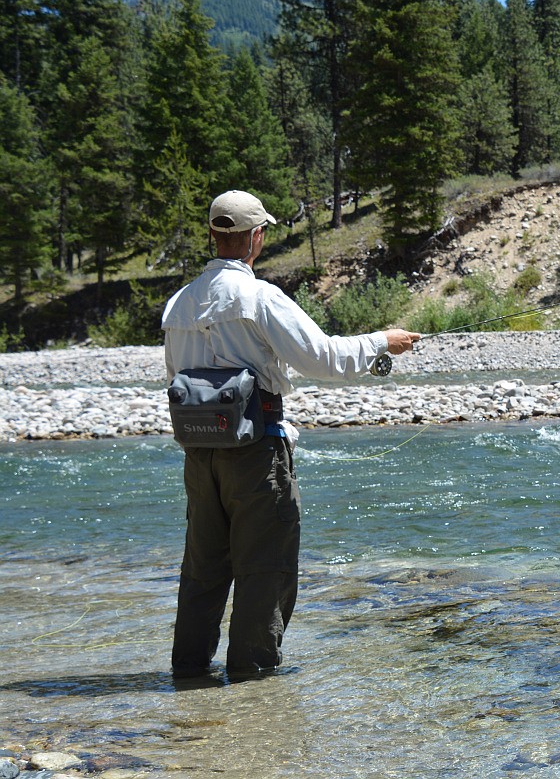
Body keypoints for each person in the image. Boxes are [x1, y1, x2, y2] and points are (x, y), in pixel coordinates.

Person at [162, 189, 420, 678]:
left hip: (198, 453)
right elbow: (323, 359)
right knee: (266, 568)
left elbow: (174, 377)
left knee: (203, 569)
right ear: (256, 237)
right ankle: (252, 681)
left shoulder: (178, 304)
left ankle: (188, 673)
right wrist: (382, 342)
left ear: (214, 234)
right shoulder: (260, 298)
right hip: (257, 451)